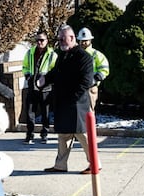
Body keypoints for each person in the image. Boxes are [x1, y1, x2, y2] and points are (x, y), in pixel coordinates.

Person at [38, 25, 96, 174]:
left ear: (72, 38)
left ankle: (95, 163)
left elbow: (86, 81)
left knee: (82, 134)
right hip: (63, 102)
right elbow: (56, 72)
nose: (61, 42)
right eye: (59, 39)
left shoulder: (83, 57)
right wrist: (45, 79)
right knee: (64, 135)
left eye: (63, 39)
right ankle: (60, 165)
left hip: (77, 104)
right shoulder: (63, 55)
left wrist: (73, 98)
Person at [22, 31, 57, 145]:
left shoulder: (52, 54)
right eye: (37, 40)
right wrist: (28, 76)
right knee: (29, 111)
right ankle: (30, 134)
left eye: (42, 40)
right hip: (32, 85)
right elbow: (25, 66)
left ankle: (44, 134)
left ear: (47, 41)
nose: (39, 42)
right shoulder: (30, 52)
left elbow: (54, 69)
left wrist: (47, 79)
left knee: (45, 112)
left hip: (46, 87)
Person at [77, 27, 110, 113]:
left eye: (86, 40)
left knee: (89, 112)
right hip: (77, 88)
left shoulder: (96, 54)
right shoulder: (75, 54)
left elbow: (104, 69)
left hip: (91, 88)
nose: (83, 43)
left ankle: (90, 127)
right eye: (81, 41)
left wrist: (95, 78)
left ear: (90, 40)